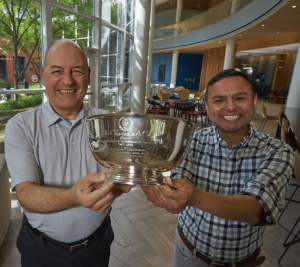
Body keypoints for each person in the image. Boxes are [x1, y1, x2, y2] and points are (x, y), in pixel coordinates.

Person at [142, 69, 295, 267]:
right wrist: (170, 196)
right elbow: (178, 195)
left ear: (254, 101)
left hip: (242, 262)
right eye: (219, 100)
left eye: (239, 97)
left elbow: (256, 210)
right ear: (207, 106)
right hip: (187, 253)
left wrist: (195, 197)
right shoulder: (191, 140)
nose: (230, 107)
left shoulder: (278, 151)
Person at [4, 39, 133, 267]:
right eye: (57, 71)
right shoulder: (21, 126)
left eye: (77, 71)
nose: (68, 80)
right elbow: (26, 195)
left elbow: (117, 178)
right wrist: (73, 197)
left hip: (97, 244)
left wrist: (119, 185)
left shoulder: (110, 124)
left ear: (89, 75)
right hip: (40, 250)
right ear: (43, 75)